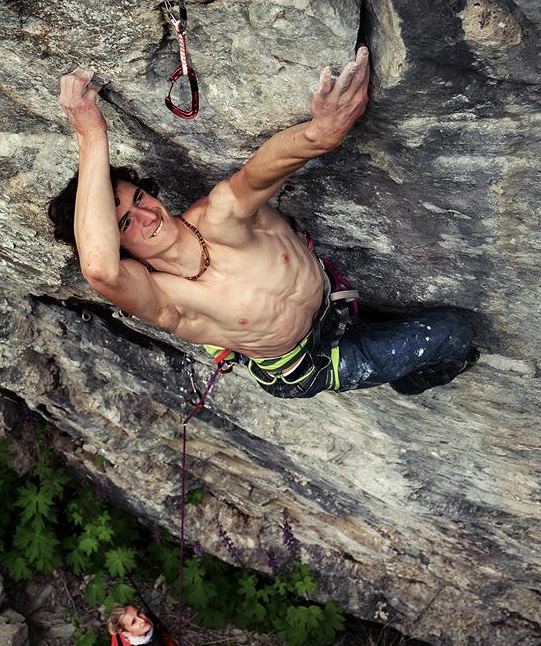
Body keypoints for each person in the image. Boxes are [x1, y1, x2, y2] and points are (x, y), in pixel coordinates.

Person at [49, 48, 478, 399]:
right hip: (306, 366)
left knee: (437, 338)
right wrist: (91, 135)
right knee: (453, 338)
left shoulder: (218, 218)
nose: (146, 216)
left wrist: (319, 134)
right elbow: (100, 270)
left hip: (336, 304)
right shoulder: (166, 299)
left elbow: (258, 174)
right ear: (116, 244)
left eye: (139, 198)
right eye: (125, 223)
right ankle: (411, 380)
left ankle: (394, 354)